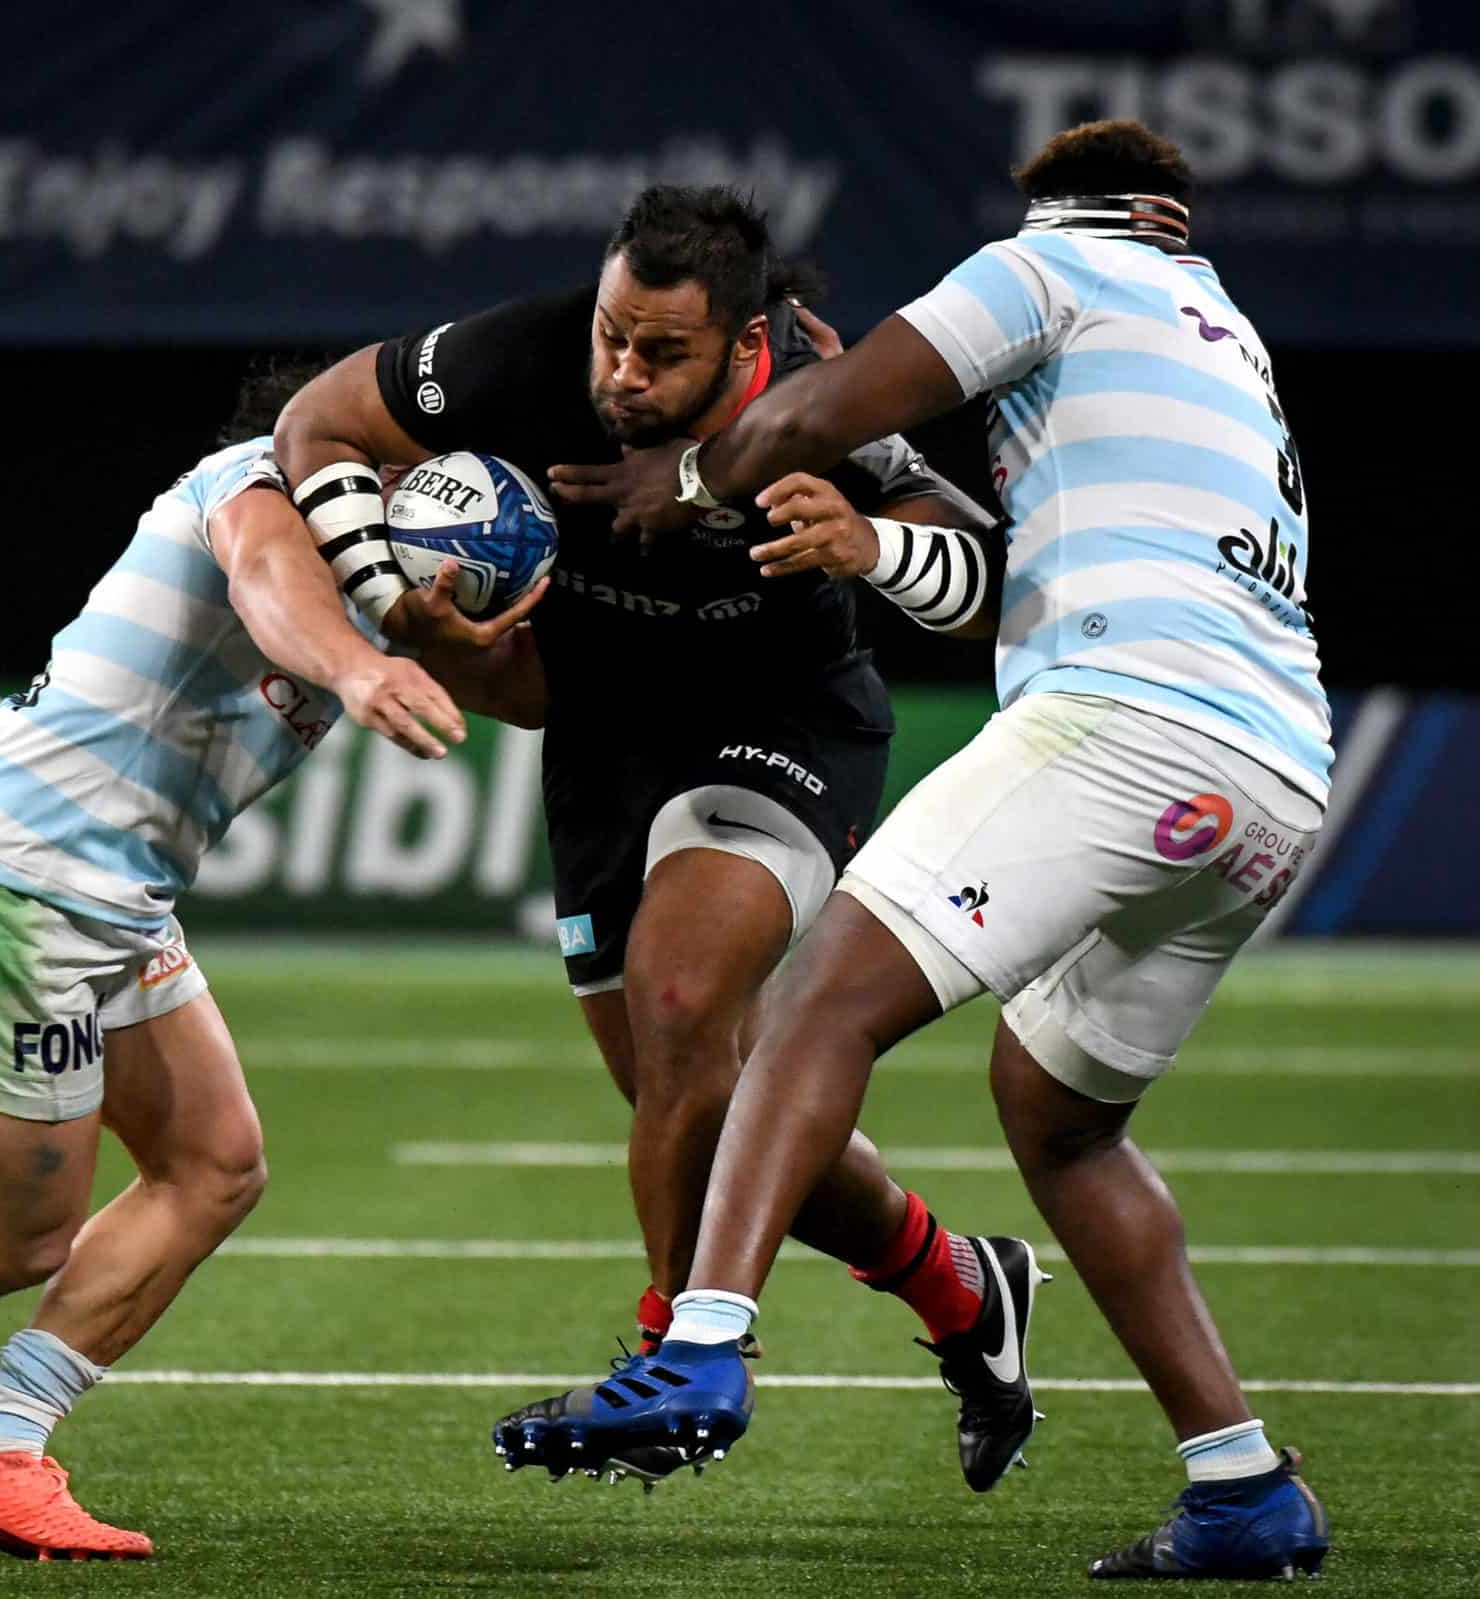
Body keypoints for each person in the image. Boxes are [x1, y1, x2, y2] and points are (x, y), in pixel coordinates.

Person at [510, 121, 1333, 1581]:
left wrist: (703, 474)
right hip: (1275, 777)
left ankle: (701, 1341)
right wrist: (873, 525)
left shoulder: (1048, 267)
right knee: (1060, 1116)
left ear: (1061, 207)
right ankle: (1241, 1479)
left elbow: (789, 428)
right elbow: (978, 548)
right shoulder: (1230, 336)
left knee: (823, 993)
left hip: (1130, 719)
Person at [0, 362, 544, 1559]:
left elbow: (530, 692)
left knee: (213, 1165)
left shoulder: (376, 589)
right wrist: (356, 670)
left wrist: (555, 592)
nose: (400, 487)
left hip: (110, 903)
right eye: (382, 462)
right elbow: (263, 578)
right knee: (14, 1236)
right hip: (8, 885)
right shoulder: (245, 490)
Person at [274, 185, 1037, 1492]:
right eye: (613, 337)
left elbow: (1000, 582)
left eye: (662, 352)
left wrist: (870, 546)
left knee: (686, 994)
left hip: (780, 721)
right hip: (600, 736)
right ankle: (965, 1285)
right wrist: (393, 597)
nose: (621, 371)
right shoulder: (522, 351)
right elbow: (316, 423)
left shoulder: (821, 398)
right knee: (695, 1107)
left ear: (747, 345)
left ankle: (675, 1349)